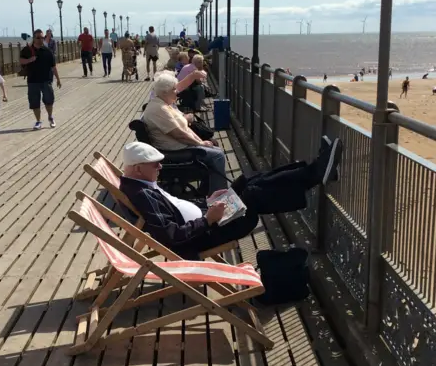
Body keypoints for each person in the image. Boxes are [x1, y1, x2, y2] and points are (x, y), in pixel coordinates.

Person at [119, 139, 342, 259]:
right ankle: (314, 174)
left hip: (208, 219)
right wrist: (207, 219)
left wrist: (207, 202)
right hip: (204, 234)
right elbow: (171, 235)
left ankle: (314, 171)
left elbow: (175, 208)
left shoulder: (141, 183)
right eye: (155, 163)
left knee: (246, 181)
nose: (160, 166)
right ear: (138, 169)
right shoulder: (141, 194)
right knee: (253, 196)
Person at [142, 73, 226, 194]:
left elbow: (184, 128)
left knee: (215, 149)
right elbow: (178, 134)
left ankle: (208, 190)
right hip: (174, 151)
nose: (177, 92)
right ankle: (219, 195)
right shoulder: (159, 109)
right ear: (165, 92)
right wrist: (200, 143)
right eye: (174, 89)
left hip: (180, 146)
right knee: (218, 155)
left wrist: (201, 142)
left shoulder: (164, 104)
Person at [20, 28, 61, 130]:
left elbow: (53, 66)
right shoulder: (27, 50)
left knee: (49, 100)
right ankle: (38, 121)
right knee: (34, 101)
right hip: (33, 80)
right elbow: (21, 61)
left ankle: (50, 117)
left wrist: (58, 79)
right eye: (38, 37)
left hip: (46, 79)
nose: (40, 39)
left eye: (42, 37)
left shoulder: (48, 51)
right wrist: (29, 60)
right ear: (33, 38)